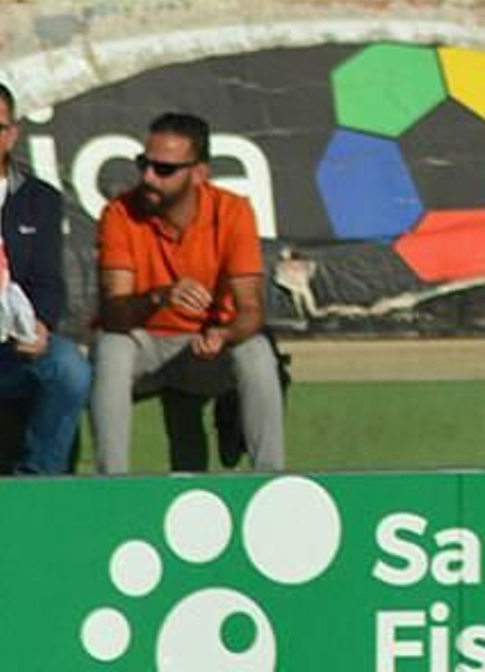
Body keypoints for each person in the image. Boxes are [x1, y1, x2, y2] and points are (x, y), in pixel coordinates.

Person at [91, 112, 284, 473]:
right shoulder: (120, 213)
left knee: (256, 350)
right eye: (144, 164)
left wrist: (224, 334)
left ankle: (269, 481)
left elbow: (251, 309)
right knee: (110, 347)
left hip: (203, 350)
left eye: (163, 170)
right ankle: (110, 485)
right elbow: (114, 314)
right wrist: (158, 296)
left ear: (198, 173)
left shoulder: (232, 211)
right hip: (145, 348)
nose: (148, 176)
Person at [0, 82, 91, 474]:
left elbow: (49, 283)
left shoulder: (40, 200)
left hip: (11, 348)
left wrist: (40, 325)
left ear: (13, 133)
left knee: (69, 366)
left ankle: (38, 484)